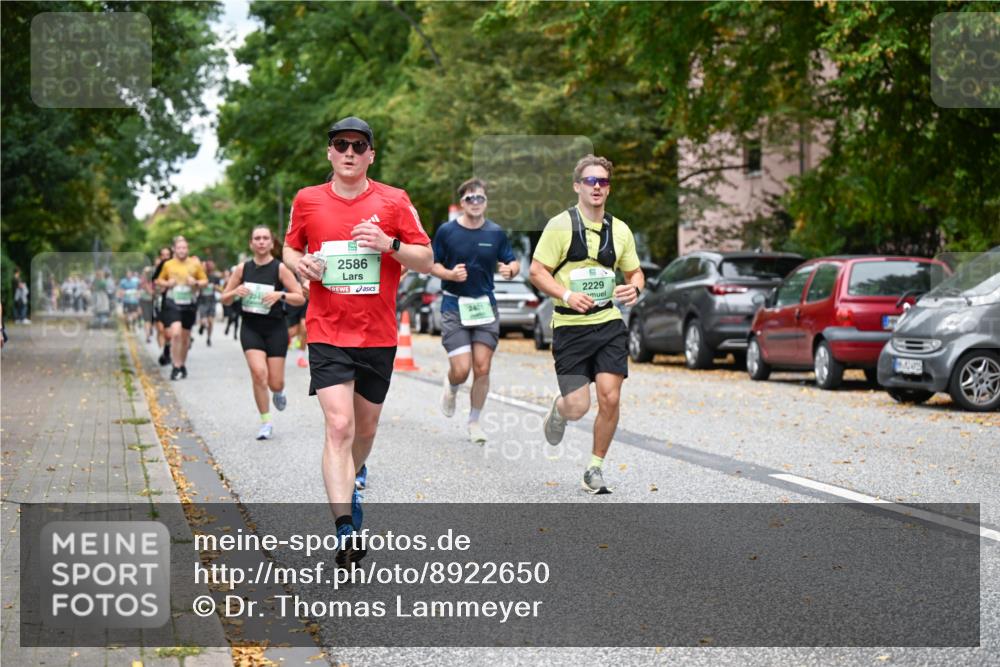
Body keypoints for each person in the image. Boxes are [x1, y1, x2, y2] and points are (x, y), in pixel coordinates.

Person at [283, 116, 432, 566]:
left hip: (378, 335)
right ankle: (345, 528)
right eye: (340, 144)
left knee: (364, 430)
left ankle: (356, 471)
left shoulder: (394, 201)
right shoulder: (307, 200)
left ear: (371, 154)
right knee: (340, 427)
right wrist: (301, 265)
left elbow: (425, 258)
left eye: (358, 145)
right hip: (327, 331)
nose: (349, 152)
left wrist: (388, 244)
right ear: (329, 151)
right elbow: (291, 248)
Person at [528, 154, 644, 495]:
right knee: (579, 406)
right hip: (569, 327)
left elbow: (635, 271)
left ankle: (594, 468)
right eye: (590, 181)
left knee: (610, 398)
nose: (597, 187)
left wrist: (634, 287)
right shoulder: (560, 226)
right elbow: (537, 271)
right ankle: (560, 410)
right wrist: (566, 295)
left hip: (608, 324)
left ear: (608, 188)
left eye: (603, 182)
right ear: (577, 186)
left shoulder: (619, 230)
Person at [431, 178, 519, 444]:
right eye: (470, 198)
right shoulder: (447, 231)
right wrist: (449, 274)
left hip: (484, 306)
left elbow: (512, 261)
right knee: (462, 369)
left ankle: (474, 422)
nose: (475, 202)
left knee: (482, 368)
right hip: (454, 306)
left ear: (486, 202)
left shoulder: (495, 233)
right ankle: (452, 385)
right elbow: (431, 265)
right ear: (462, 203)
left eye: (480, 198)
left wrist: (510, 270)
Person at [222, 226, 305, 440]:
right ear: (251, 243)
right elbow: (225, 298)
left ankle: (278, 391)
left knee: (275, 382)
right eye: (256, 238)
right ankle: (266, 422)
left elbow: (300, 297)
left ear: (271, 243)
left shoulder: (280, 269)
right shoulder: (242, 269)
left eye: (265, 238)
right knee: (259, 374)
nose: (260, 242)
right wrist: (234, 292)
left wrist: (281, 295)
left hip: (276, 328)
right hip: (251, 328)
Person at [156, 236, 208, 380]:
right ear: (174, 249)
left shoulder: (194, 264)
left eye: (184, 248)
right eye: (179, 248)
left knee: (185, 338)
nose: (182, 250)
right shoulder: (168, 265)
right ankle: (175, 365)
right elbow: (159, 280)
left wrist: (196, 282)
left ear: (188, 249)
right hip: (173, 302)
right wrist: (167, 284)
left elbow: (205, 281)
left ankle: (181, 364)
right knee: (176, 333)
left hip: (189, 304)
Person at [151, 247, 173, 365]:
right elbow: (154, 282)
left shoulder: (175, 266)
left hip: (171, 301)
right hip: (159, 301)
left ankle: (167, 350)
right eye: (163, 255)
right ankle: (164, 351)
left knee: (169, 332)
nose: (165, 257)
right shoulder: (159, 267)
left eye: (167, 254)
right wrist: (161, 286)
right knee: (160, 328)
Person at [285, 277, 309, 368]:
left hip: (306, 299)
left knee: (304, 327)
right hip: (293, 300)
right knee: (293, 331)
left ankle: (300, 357)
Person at [197, 260, 220, 346]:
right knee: (203, 320)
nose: (210, 267)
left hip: (211, 301)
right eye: (209, 266)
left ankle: (208, 338)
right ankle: (202, 326)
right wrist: (201, 285)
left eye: (212, 266)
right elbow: (196, 287)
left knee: (210, 321)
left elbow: (219, 289)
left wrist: (215, 287)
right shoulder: (201, 276)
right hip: (202, 300)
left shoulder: (215, 277)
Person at [139, 267, 155, 343]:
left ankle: (149, 330)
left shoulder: (155, 280)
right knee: (147, 319)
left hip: (153, 302)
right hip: (145, 301)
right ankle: (148, 335)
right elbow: (148, 291)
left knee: (151, 319)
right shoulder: (143, 281)